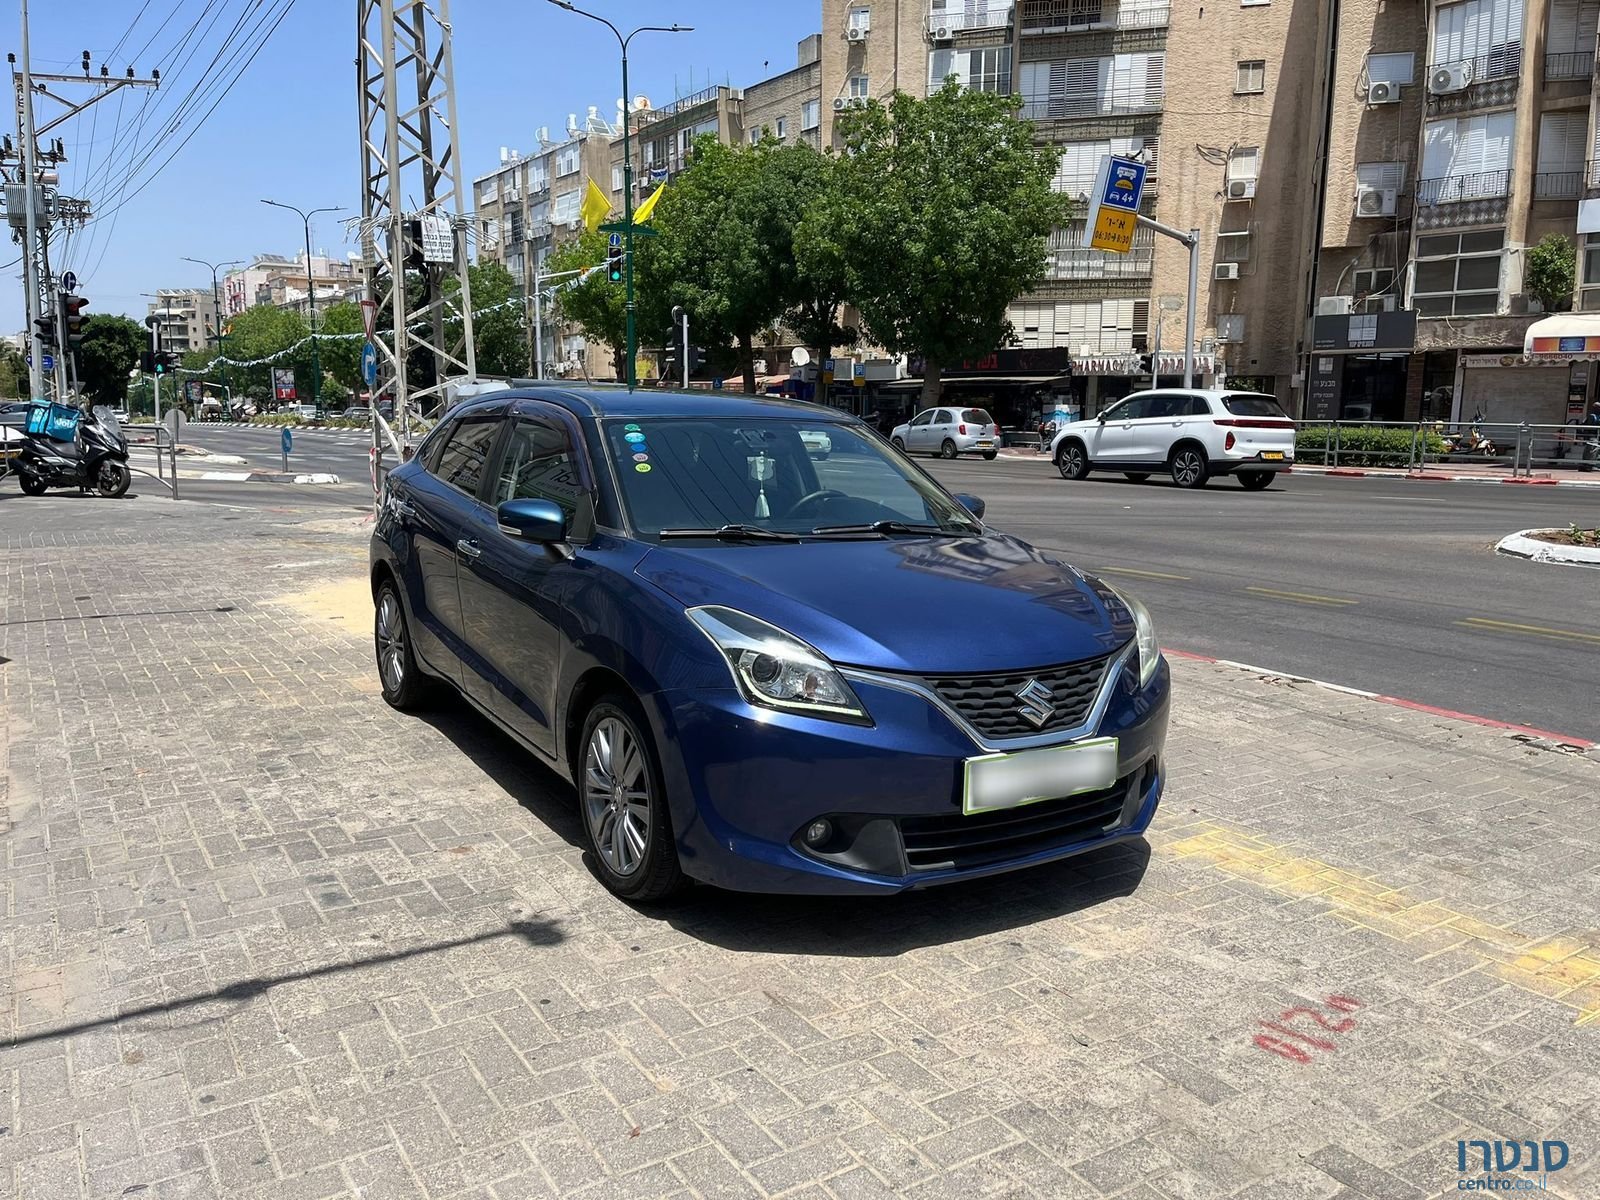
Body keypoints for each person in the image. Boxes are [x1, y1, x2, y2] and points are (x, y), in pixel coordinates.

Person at [1582, 401, 1600, 471]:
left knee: (1596, 451)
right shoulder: (1592, 416)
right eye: (1597, 407)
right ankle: (1588, 465)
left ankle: (1594, 464)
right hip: (1592, 436)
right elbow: (1588, 427)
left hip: (1598, 436)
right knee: (1591, 450)